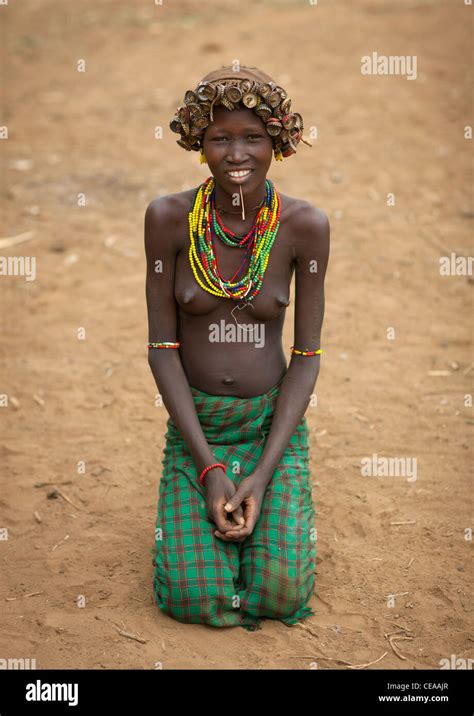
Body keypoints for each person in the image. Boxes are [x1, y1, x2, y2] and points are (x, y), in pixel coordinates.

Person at [145, 65, 330, 631]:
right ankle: (199, 494)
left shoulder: (305, 226)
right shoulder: (169, 220)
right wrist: (209, 470)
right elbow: (161, 346)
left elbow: (306, 357)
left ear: (277, 140)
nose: (236, 154)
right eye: (220, 137)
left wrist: (263, 473)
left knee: (276, 592)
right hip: (196, 429)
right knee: (194, 596)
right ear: (198, 142)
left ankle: (270, 495)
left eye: (253, 137)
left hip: (269, 426)